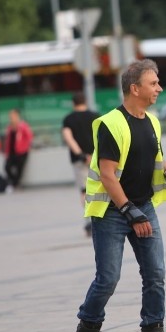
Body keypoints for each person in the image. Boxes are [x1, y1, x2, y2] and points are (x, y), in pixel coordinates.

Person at [71, 59, 166, 332]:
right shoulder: (111, 124)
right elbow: (107, 176)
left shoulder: (153, 122)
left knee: (156, 274)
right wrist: (130, 213)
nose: (159, 88)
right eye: (153, 83)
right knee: (108, 278)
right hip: (111, 211)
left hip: (143, 206)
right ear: (135, 89)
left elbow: (156, 161)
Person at [61, 92, 99, 236]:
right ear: (85, 101)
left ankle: (89, 219)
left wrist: (82, 155)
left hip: (79, 161)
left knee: (84, 190)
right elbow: (101, 136)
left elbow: (68, 138)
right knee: (99, 188)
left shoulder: (68, 119)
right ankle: (100, 216)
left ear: (73, 103)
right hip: (97, 159)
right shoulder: (96, 116)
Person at [3, 108, 33, 192]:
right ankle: (13, 183)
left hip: (21, 151)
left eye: (12, 115)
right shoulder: (9, 127)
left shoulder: (23, 126)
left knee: (19, 169)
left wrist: (28, 147)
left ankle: (16, 184)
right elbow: (8, 140)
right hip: (11, 152)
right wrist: (6, 152)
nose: (11, 117)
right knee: (7, 167)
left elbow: (29, 136)